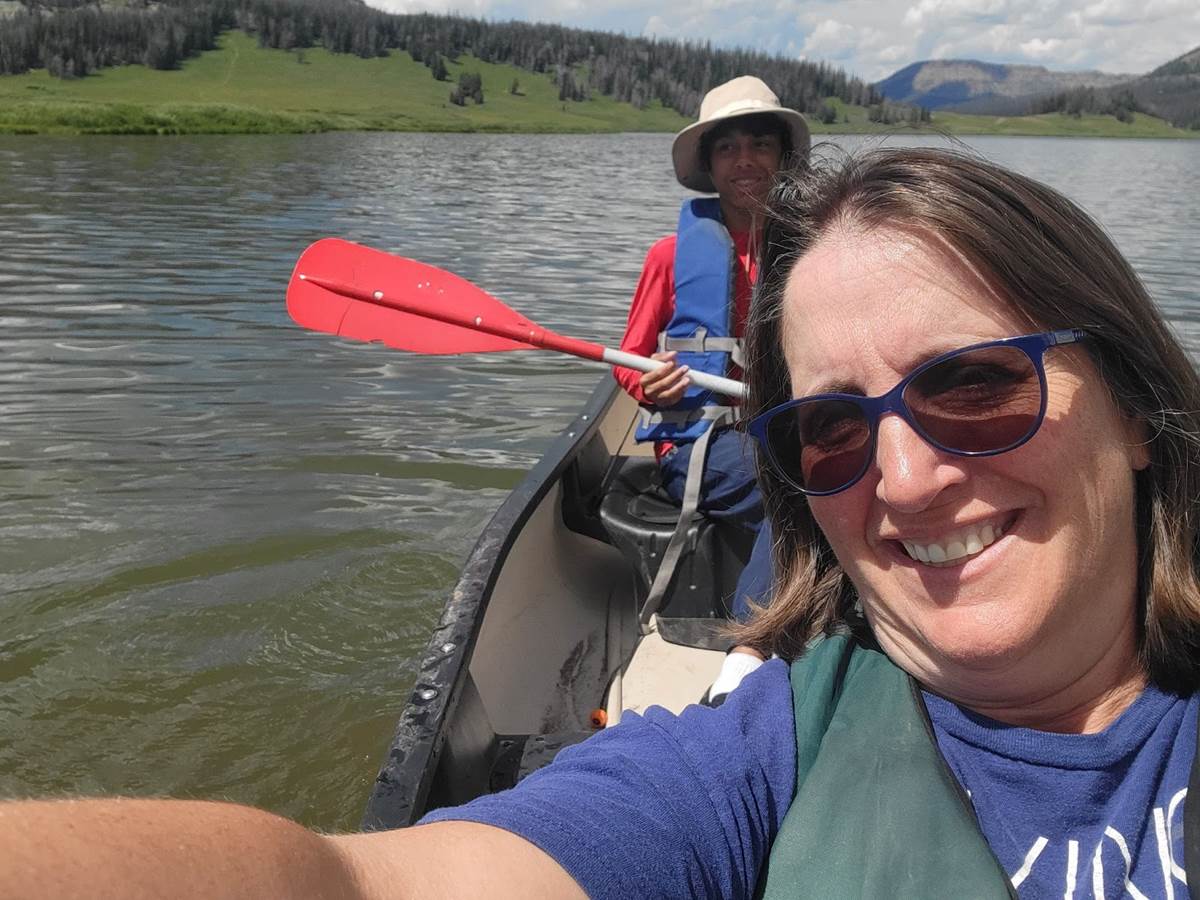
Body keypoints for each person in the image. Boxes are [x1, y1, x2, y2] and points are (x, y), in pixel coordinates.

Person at [4, 147, 1200, 899]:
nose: (906, 478)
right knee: (747, 491)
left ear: (1136, 407)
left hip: (753, 444)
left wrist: (775, 413)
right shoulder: (752, 768)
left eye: (976, 384)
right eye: (833, 426)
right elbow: (360, 888)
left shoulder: (810, 264)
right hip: (719, 445)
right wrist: (674, 391)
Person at [613, 75, 809, 701]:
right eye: (728, 148)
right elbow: (628, 363)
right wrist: (653, 383)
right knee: (793, 481)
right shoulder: (669, 256)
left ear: (782, 158)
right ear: (710, 164)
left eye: (760, 145)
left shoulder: (813, 249)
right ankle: (748, 658)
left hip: (787, 425)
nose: (745, 160)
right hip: (701, 439)